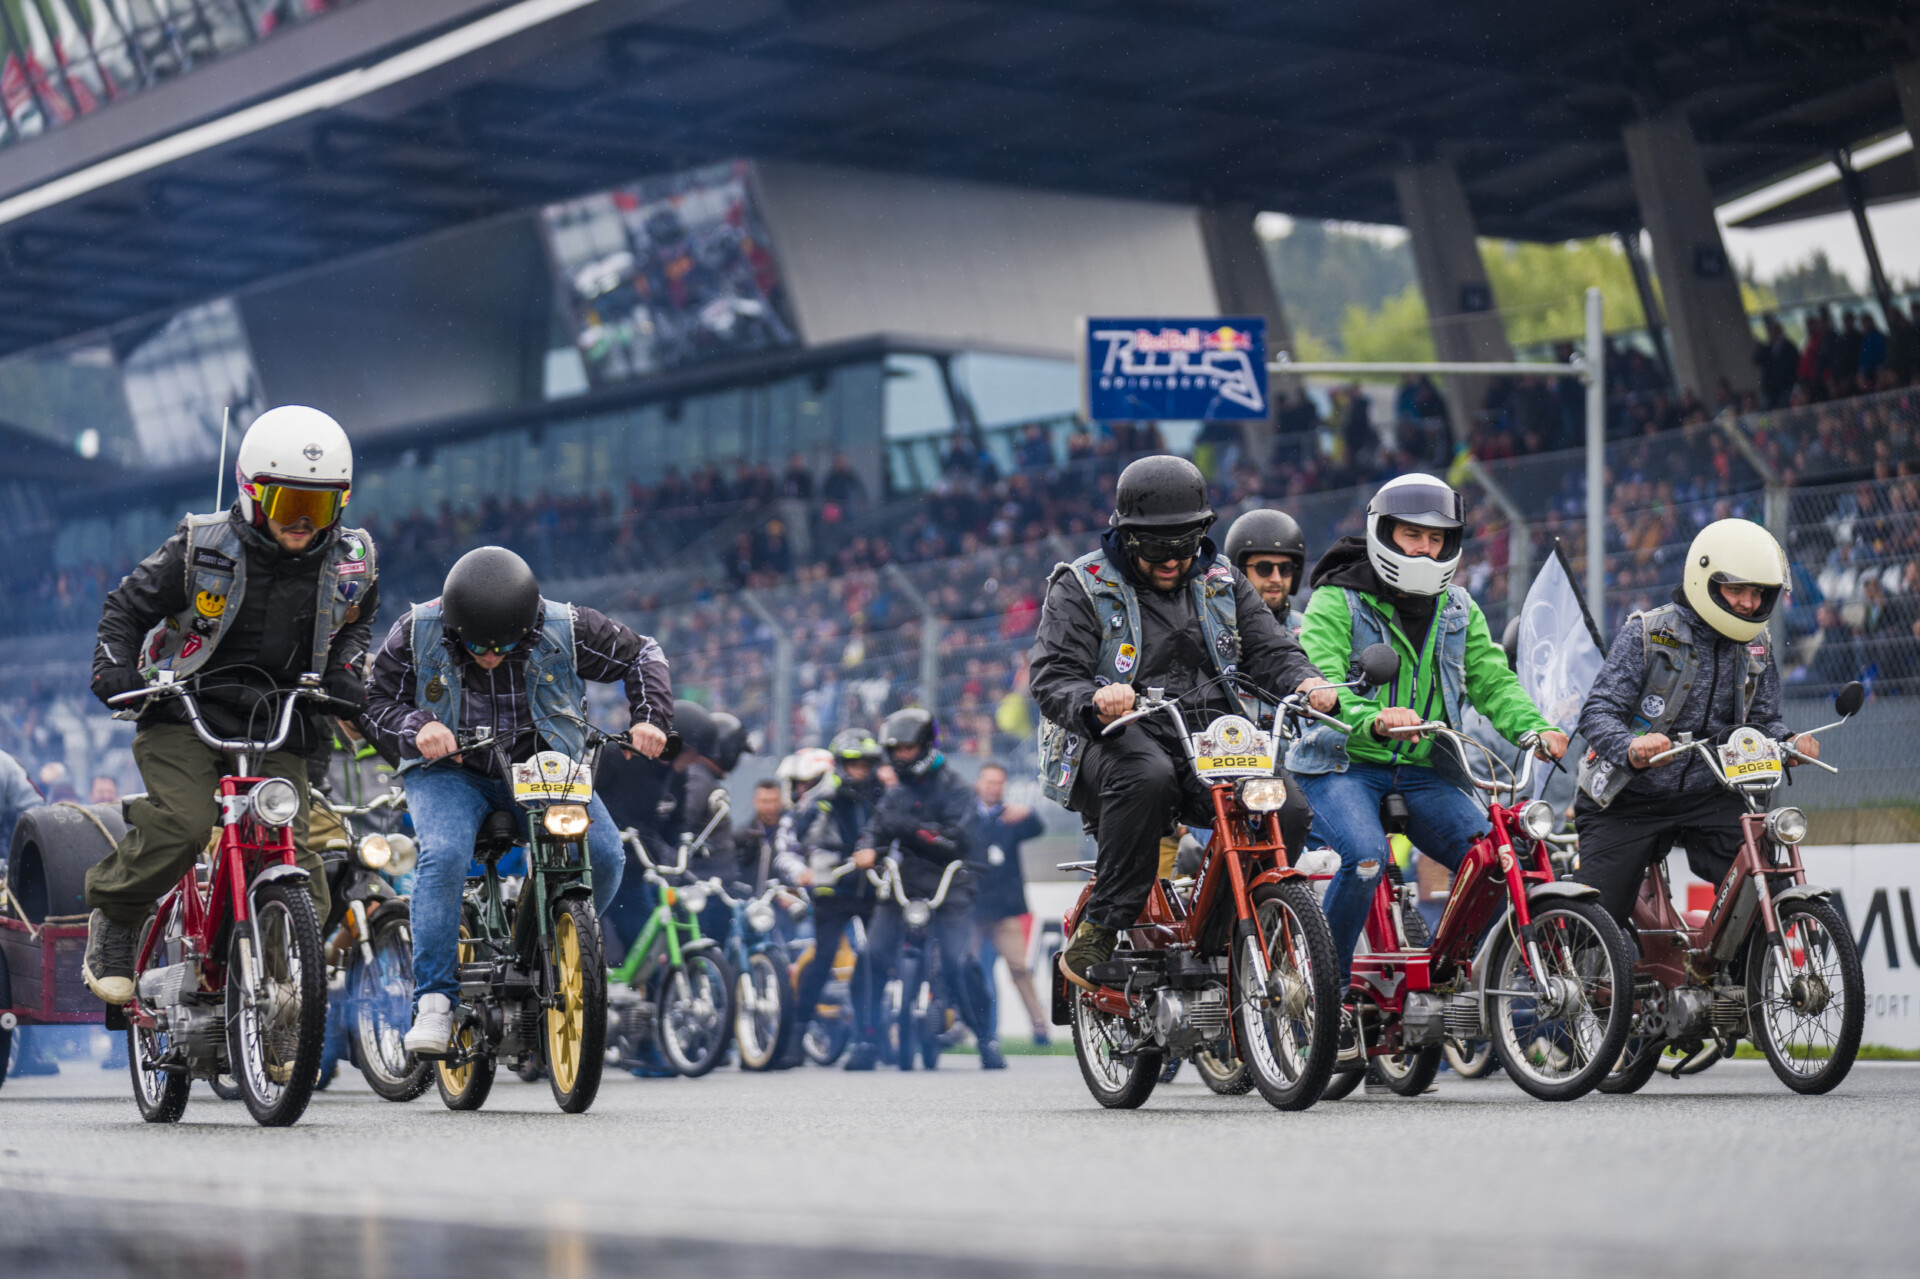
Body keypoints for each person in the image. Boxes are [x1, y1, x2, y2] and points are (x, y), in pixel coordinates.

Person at [82, 406, 376, 1006]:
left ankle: (264, 990)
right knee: (185, 825)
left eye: (319, 507)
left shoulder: (355, 558)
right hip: (185, 709)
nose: (303, 522)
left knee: (301, 861)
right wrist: (112, 666)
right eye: (289, 504)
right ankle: (116, 913)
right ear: (251, 493)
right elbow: (125, 608)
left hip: (280, 719)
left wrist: (345, 670)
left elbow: (355, 622)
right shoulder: (198, 544)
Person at [1031, 455, 1335, 989]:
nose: (1173, 559)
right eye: (1157, 547)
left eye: (1186, 543)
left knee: (1283, 805)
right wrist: (1096, 700)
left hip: (1209, 737)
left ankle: (1225, 932)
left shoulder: (1224, 578)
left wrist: (1307, 681)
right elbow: (1053, 675)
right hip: (1110, 734)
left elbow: (1271, 650)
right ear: (1127, 535)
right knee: (1148, 776)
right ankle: (1103, 924)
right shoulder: (1079, 585)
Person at [359, 545, 671, 1056]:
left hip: (544, 768)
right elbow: (374, 701)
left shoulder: (569, 626)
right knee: (444, 855)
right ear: (453, 624)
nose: (490, 655)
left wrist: (650, 716)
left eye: (504, 645)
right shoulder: (414, 630)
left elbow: (644, 653)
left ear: (529, 625)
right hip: (451, 773)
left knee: (605, 855)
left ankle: (558, 940)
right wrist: (417, 726)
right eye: (476, 646)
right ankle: (434, 1002)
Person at [1286, 474, 1566, 1043]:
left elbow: (1492, 681)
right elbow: (1322, 680)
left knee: (1496, 859)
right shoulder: (1336, 599)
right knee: (1365, 857)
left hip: (1424, 768)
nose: (1425, 549)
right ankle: (1324, 995)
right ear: (1383, 534)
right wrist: (1371, 716)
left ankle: (1445, 975)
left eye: (1437, 539)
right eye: (1412, 535)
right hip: (1341, 763)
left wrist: (1535, 727)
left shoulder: (1458, 606)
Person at [1571, 519, 1818, 932]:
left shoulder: (1759, 643)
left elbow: (1764, 721)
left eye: (1758, 593)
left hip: (1711, 794)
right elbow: (1597, 712)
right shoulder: (1647, 633)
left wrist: (1789, 740)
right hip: (1628, 796)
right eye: (1737, 590)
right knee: (1593, 921)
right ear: (1706, 581)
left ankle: (1742, 972)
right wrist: (1631, 747)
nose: (1748, 603)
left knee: (1762, 898)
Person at [853, 709, 1004, 1069]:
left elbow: (954, 841)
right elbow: (876, 829)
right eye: (895, 750)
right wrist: (866, 847)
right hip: (903, 884)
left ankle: (985, 1039)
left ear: (924, 746)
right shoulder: (895, 793)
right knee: (871, 954)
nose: (900, 756)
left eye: (907, 748)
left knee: (958, 962)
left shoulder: (956, 788)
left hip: (951, 883)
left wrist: (906, 828)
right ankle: (865, 1040)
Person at [779, 727, 887, 1069]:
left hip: (871, 889)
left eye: (865, 764)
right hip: (832, 889)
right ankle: (796, 1036)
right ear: (840, 764)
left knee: (871, 961)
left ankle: (870, 1040)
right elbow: (799, 836)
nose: (859, 770)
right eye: (853, 764)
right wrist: (807, 870)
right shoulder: (823, 796)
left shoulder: (884, 795)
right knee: (822, 958)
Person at [968, 762, 1049, 1047]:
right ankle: (968, 1026)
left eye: (999, 783)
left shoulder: (1012, 816)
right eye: (989, 782)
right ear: (978, 784)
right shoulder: (967, 815)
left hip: (1005, 909)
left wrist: (1029, 812)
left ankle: (1039, 1026)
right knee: (970, 969)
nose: (994, 788)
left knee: (1019, 967)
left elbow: (1038, 828)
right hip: (973, 907)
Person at [739, 779, 787, 892]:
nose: (769, 807)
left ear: (781, 802)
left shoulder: (790, 835)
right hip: (749, 900)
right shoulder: (743, 835)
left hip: (783, 899)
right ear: (754, 801)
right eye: (764, 801)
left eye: (774, 801)